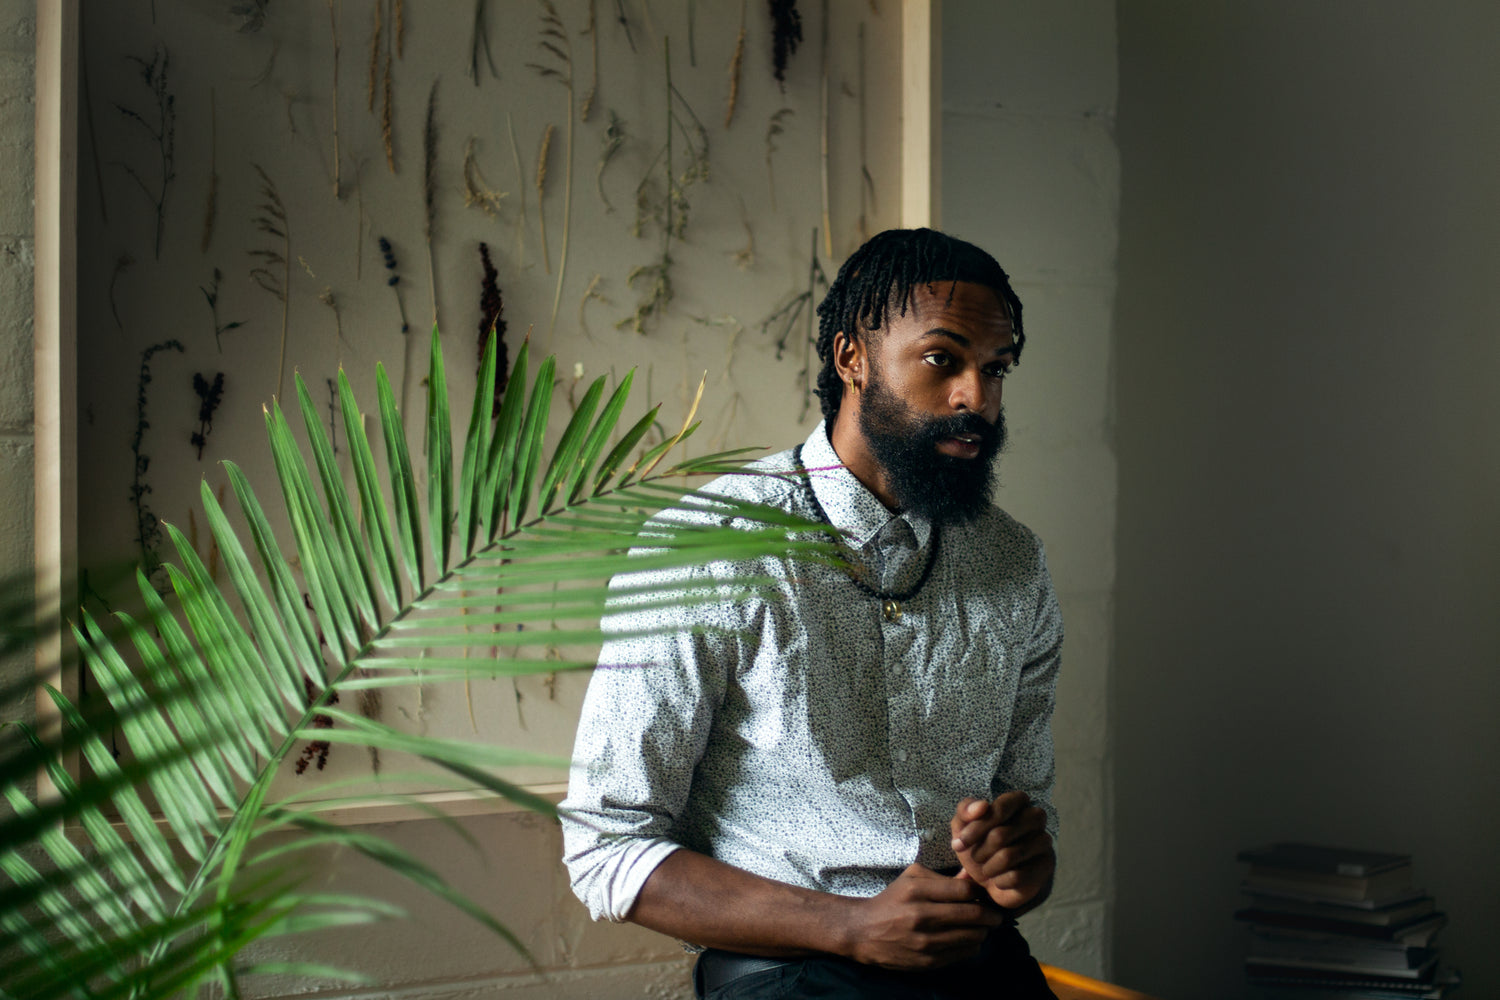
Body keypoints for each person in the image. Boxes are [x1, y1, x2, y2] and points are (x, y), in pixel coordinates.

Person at [561, 228, 1063, 999]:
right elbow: (606, 846)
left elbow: (1028, 820)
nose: (977, 398)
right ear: (851, 358)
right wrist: (850, 926)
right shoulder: (711, 543)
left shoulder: (1012, 562)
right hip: (789, 978)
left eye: (995, 369)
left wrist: (1022, 865)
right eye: (943, 359)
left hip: (983, 969)